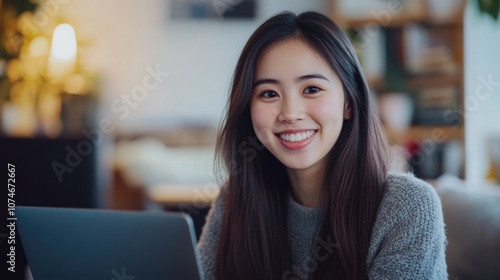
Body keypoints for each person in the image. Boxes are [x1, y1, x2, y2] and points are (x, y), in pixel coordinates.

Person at [197, 11, 447, 280]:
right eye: (269, 93)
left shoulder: (407, 206)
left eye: (311, 89)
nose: (290, 113)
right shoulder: (234, 201)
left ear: (349, 103)